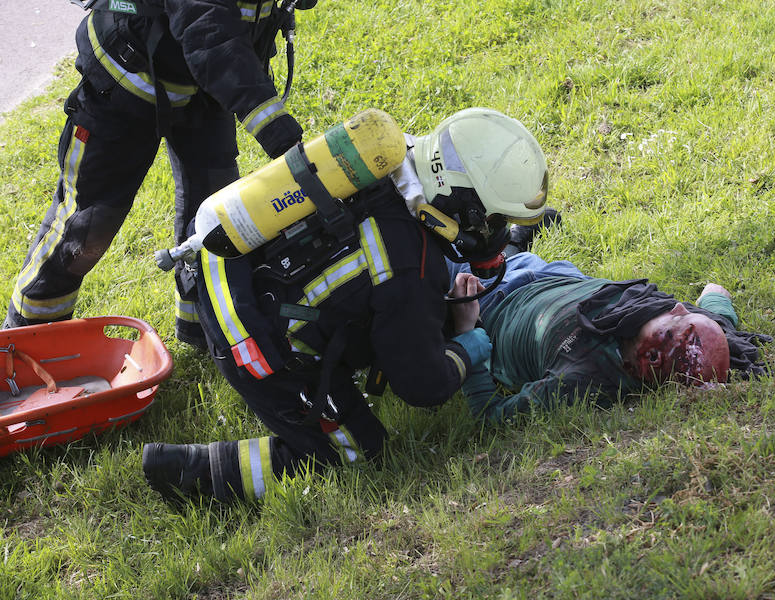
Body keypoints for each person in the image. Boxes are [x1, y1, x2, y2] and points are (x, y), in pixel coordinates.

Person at [141, 107, 551, 502]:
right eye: (492, 221)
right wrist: (468, 343)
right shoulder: (410, 270)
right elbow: (423, 386)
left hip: (219, 258)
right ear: (458, 201)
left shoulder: (392, 159)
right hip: (248, 334)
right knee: (357, 452)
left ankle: (194, 332)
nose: (490, 233)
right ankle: (193, 471)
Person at [4, 0, 312, 348]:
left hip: (204, 87)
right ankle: (25, 344)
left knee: (213, 218)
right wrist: (282, 137)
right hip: (127, 75)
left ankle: (205, 332)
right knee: (88, 228)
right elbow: (209, 35)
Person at [449, 222, 763, 423]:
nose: (678, 307)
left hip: (486, 298)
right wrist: (715, 303)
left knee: (435, 235)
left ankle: (509, 241)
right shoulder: (649, 310)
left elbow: (489, 415)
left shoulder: (578, 381)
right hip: (557, 274)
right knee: (482, 233)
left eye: (662, 366)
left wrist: (467, 331)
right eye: (670, 334)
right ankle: (513, 240)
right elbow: (716, 316)